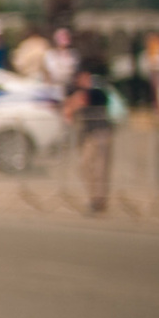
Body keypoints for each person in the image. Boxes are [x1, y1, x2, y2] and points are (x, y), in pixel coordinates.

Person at [63, 68, 114, 215]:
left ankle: (99, 200)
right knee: (85, 166)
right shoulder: (78, 92)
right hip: (88, 135)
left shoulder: (97, 91)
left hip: (101, 133)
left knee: (100, 168)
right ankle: (94, 197)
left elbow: (80, 102)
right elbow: (69, 111)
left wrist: (72, 102)